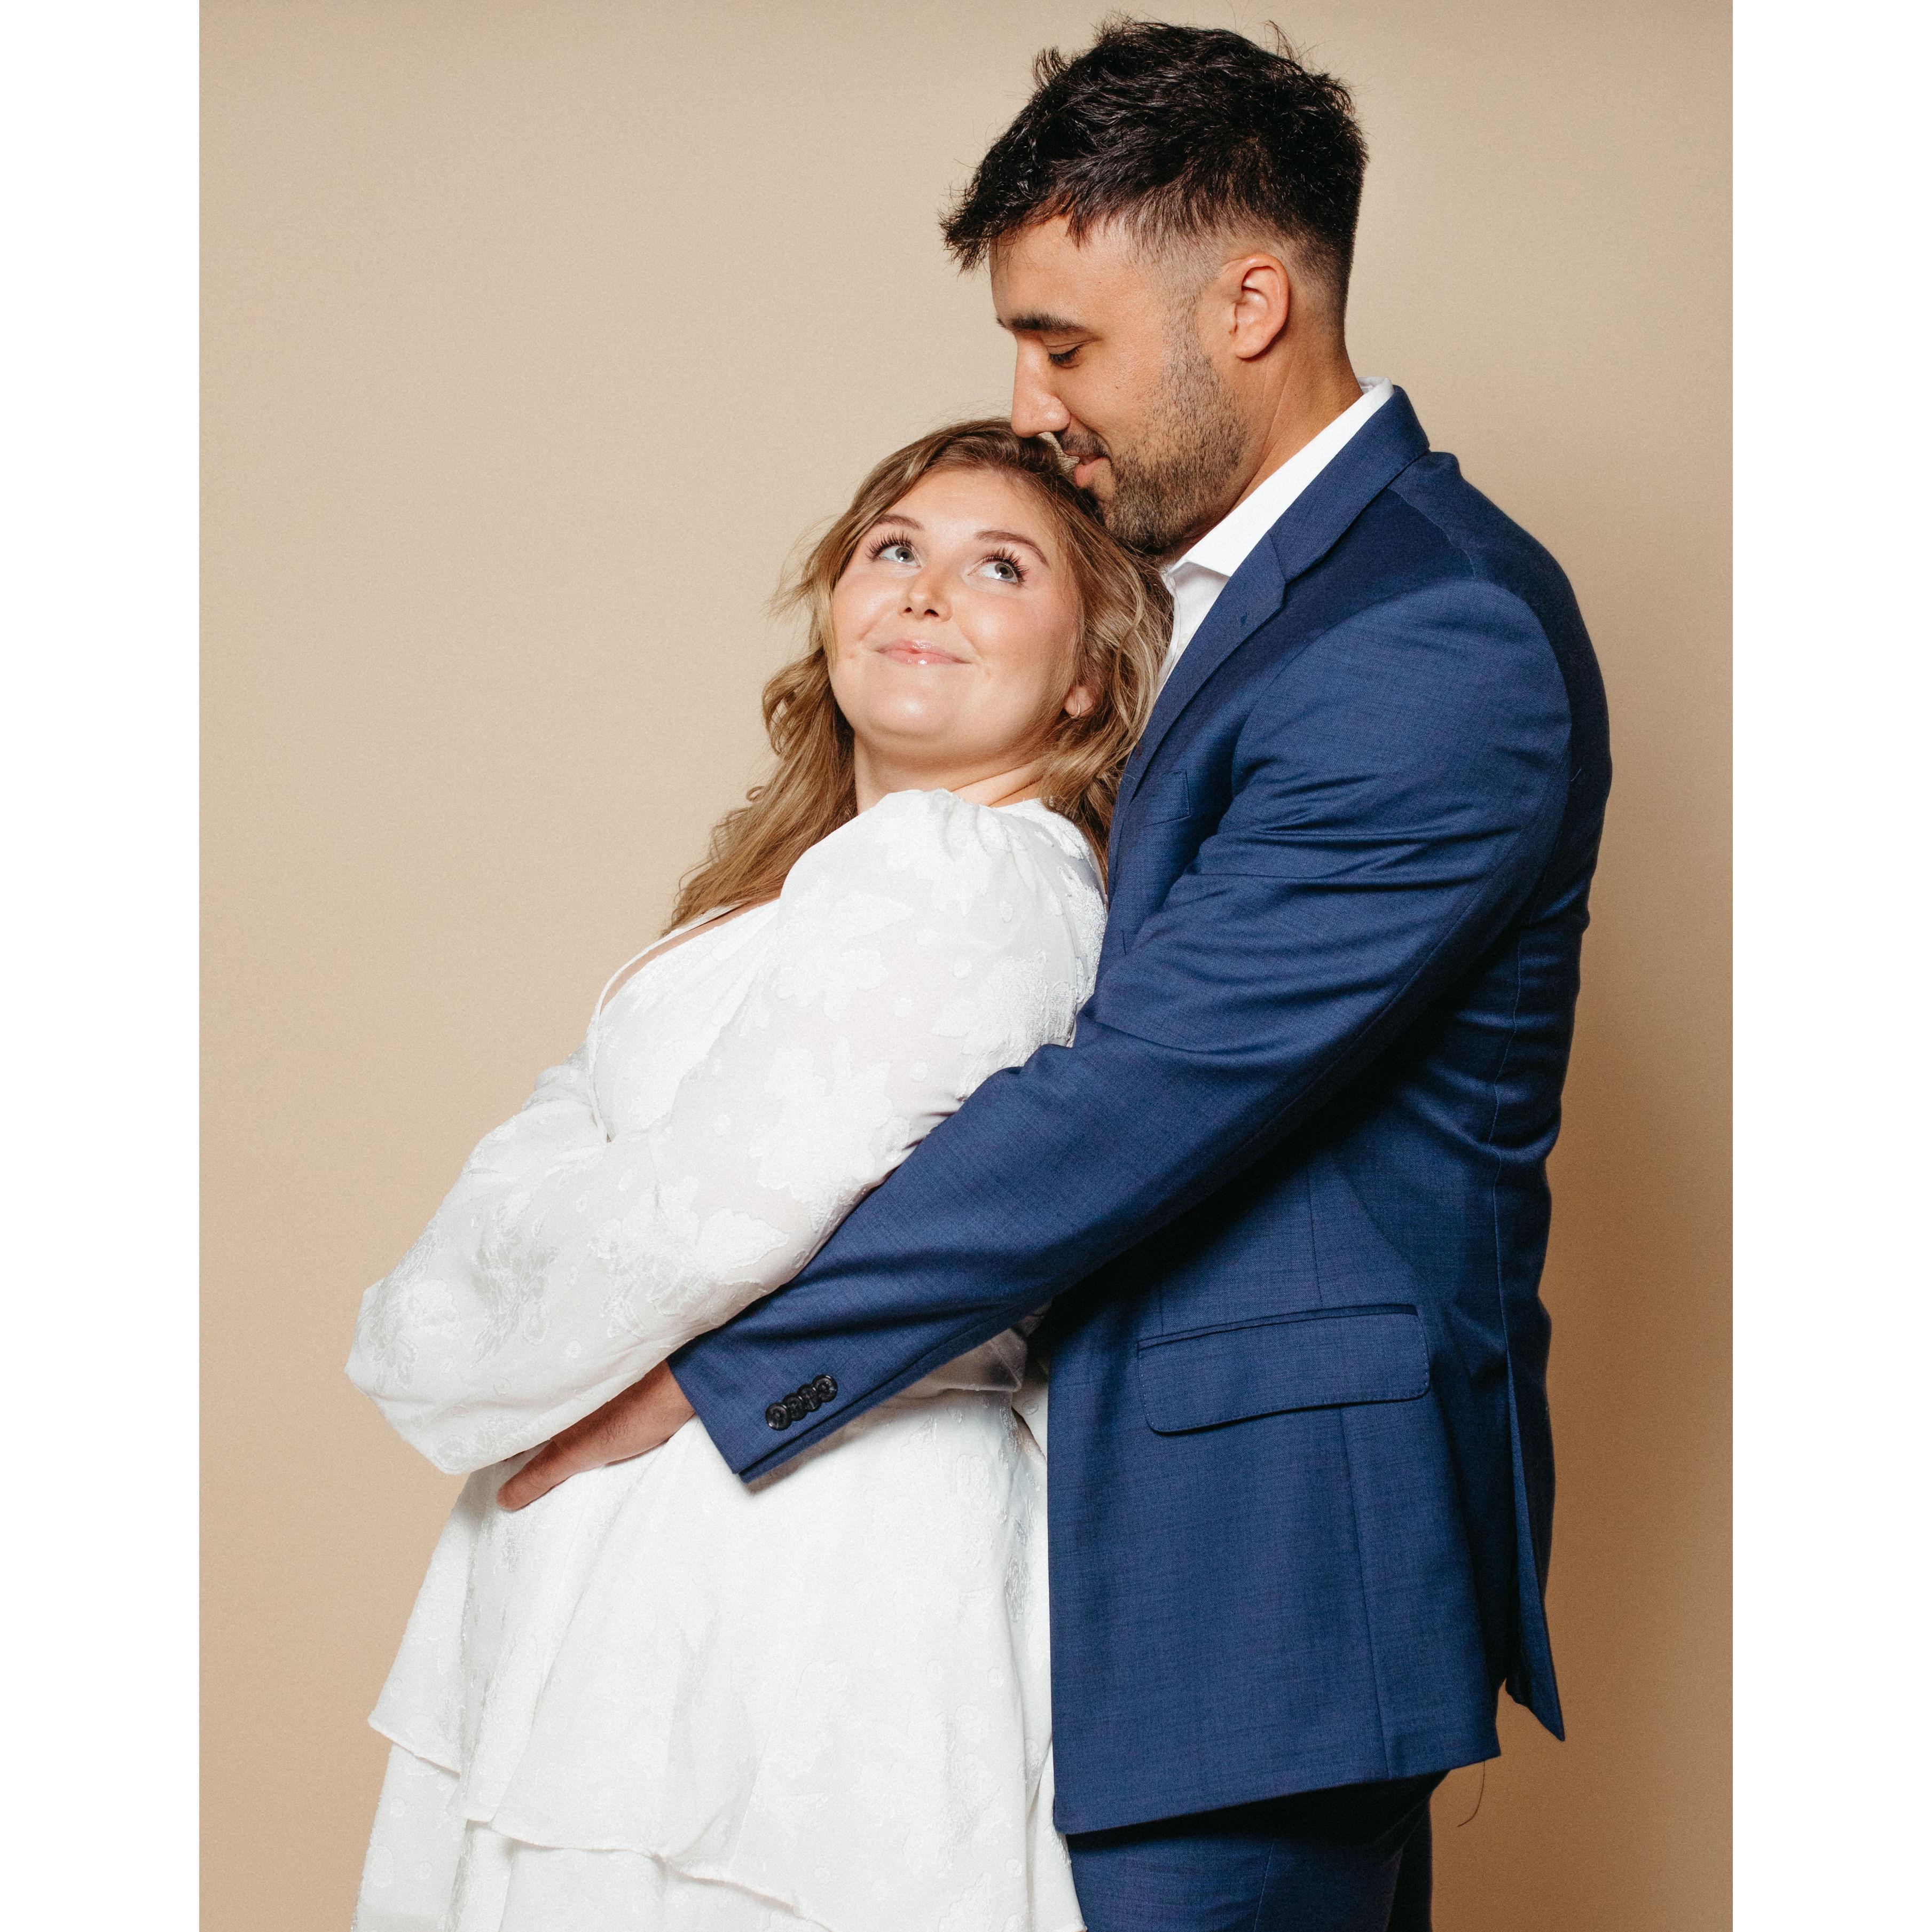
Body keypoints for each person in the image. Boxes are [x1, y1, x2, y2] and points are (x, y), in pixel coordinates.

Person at [523, 22, 1613, 1932]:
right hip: (1125, 1547)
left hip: (1259, 1574)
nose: (1029, 405)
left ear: (1250, 305)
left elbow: (1142, 1094)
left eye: (1063, 344)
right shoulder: (1232, 601)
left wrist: (721, 1368)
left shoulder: (1429, 633)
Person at [344, 420, 1169, 1931]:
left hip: (796, 1552)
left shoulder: (963, 871)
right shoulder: (794, 895)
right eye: (893, 549)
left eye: (1001, 567)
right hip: (673, 1544)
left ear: (1086, 677)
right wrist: (598, 1182)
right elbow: (603, 1159)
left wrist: (539, 1238)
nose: (926, 591)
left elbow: (711, 1215)